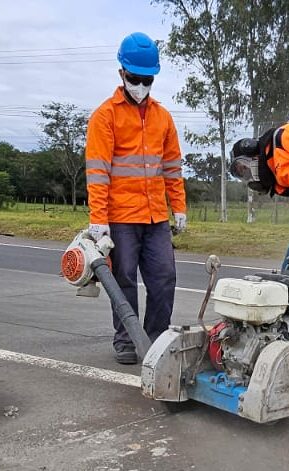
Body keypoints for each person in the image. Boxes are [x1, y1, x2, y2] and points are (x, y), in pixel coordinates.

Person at [85, 32, 187, 364]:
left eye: (147, 80)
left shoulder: (163, 117)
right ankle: (127, 339)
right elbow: (98, 172)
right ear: (122, 73)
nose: (140, 85)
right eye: (134, 78)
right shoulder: (105, 116)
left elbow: (172, 167)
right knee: (124, 279)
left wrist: (179, 207)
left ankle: (155, 340)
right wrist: (98, 220)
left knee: (164, 278)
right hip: (121, 218)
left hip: (156, 217)